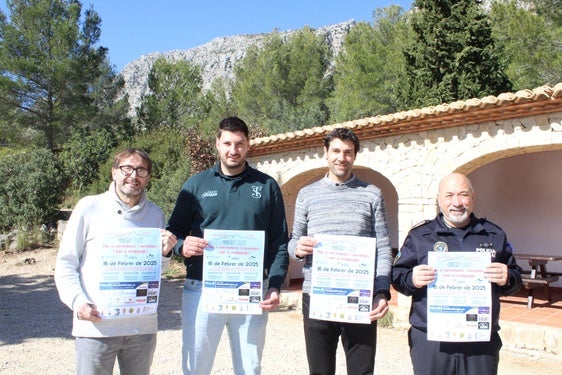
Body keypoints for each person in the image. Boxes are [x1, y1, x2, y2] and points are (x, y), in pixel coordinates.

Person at [166, 116, 289, 375]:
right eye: (228, 143)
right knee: (196, 367)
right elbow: (173, 232)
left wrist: (275, 285)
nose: (233, 150)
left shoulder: (267, 186)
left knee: (249, 368)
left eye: (240, 144)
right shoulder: (195, 185)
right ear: (217, 144)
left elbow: (279, 241)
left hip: (251, 289)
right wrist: (180, 246)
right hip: (201, 289)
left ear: (248, 145)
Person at [54, 148, 178, 375]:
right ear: (114, 172)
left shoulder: (155, 214)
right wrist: (77, 302)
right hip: (97, 326)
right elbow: (66, 263)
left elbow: (154, 273)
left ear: (148, 177)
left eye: (141, 170)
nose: (133, 176)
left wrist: (165, 253)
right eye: (127, 168)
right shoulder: (88, 207)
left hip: (141, 327)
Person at [391, 172, 522, 375]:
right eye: (449, 195)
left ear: (473, 197)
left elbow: (515, 278)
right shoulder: (420, 236)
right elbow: (398, 276)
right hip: (432, 339)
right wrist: (412, 279)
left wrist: (507, 277)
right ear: (439, 199)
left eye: (463, 194)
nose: (457, 202)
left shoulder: (494, 234)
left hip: (479, 338)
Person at [288, 127, 393, 375]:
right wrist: (299, 249)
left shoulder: (371, 194)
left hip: (360, 297)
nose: (341, 157)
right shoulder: (306, 194)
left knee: (361, 370)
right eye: (335, 150)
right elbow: (292, 242)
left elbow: (383, 246)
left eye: (348, 152)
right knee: (320, 371)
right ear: (325, 152)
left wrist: (381, 290)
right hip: (316, 296)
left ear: (355, 155)